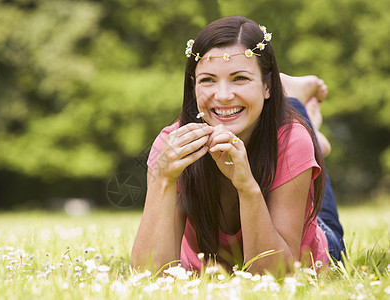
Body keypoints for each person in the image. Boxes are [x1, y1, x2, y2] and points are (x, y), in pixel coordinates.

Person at [131, 15, 344, 274]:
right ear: (193, 86)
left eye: (239, 78)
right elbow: (149, 274)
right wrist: (163, 179)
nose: (222, 95)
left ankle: (296, 103)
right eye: (207, 80)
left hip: (304, 245)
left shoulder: (291, 140)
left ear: (267, 85)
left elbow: (275, 275)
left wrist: (246, 186)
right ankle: (306, 127)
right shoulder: (171, 144)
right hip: (271, 126)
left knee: (298, 136)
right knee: (298, 138)